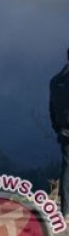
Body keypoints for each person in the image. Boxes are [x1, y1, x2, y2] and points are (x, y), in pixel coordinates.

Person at [49, 47, 69, 220]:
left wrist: (58, 128)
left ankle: (65, 211)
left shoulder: (56, 81)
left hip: (65, 132)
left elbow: (52, 109)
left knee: (67, 169)